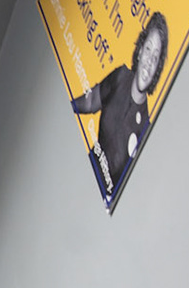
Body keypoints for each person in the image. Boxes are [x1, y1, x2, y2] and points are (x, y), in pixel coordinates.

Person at [69, 11, 168, 206]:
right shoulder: (120, 76)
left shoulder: (145, 129)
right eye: (148, 49)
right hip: (80, 169)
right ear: (139, 51)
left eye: (156, 57)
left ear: (157, 68)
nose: (149, 60)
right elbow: (89, 103)